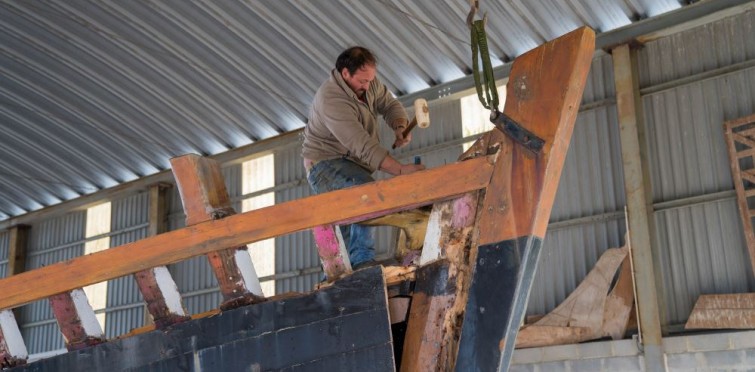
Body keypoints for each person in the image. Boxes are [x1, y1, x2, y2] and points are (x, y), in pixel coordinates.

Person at [302, 46, 425, 270]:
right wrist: (399, 170)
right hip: (325, 164)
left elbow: (389, 104)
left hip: (351, 163)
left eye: (371, 80)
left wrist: (399, 125)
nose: (368, 86)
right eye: (362, 81)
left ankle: (343, 273)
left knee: (349, 219)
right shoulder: (332, 100)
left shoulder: (368, 84)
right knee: (363, 192)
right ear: (345, 73)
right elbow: (362, 145)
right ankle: (361, 264)